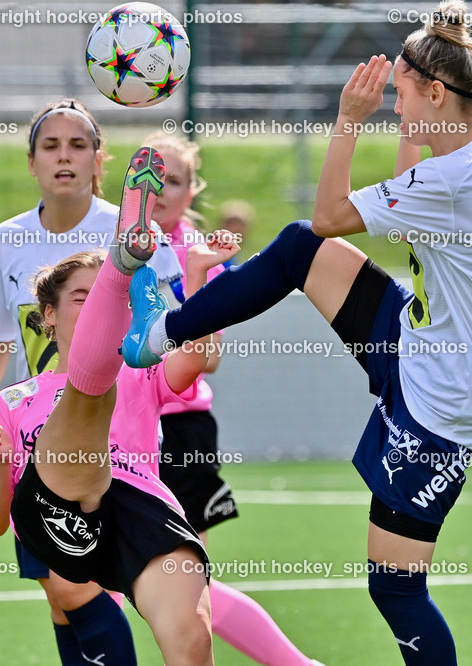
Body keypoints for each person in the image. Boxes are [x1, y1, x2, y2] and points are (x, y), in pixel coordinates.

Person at [123, 0, 472, 665]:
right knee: (298, 250)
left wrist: (346, 121)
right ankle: (160, 332)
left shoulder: (457, 177)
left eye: (401, 95)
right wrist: (407, 129)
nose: (396, 108)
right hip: (419, 342)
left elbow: (334, 211)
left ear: (434, 90)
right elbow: (403, 192)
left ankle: (162, 330)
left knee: (396, 589)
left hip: (442, 402)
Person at [0, 145, 240, 664]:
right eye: (83, 299)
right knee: (88, 396)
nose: (97, 310)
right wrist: (2, 462)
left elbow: (198, 360)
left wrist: (199, 275)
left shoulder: (142, 373)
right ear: (47, 316)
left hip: (139, 503)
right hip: (57, 510)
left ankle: (129, 267)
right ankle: (126, 262)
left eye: (107, 300)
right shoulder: (14, 401)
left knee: (192, 639)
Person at [0, 98, 184, 664]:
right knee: (60, 594)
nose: (64, 157)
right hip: (39, 437)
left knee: (76, 584)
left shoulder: (129, 230)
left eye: (78, 145)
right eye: (50, 146)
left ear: (99, 160)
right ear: (31, 162)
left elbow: (173, 321)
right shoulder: (8, 239)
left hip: (121, 428)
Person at [141, 131, 318, 665]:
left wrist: (193, 282)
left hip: (180, 429)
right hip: (119, 431)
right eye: (151, 178)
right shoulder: (115, 247)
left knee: (191, 589)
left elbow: (209, 355)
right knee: (101, 578)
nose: (162, 189)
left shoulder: (201, 255)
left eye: (175, 179)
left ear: (194, 189)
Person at [217, 200, 256, 268]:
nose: (235, 227)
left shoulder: (235, 253)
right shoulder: (217, 251)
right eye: (231, 223)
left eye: (240, 225)